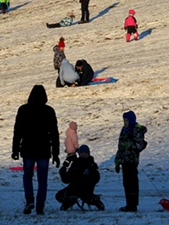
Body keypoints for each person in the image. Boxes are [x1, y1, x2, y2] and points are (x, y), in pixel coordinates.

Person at [12, 85, 60, 215]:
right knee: (42, 179)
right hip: (44, 149)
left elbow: (18, 131)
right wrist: (56, 153)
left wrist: (15, 149)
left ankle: (29, 201)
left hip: (28, 148)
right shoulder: (49, 111)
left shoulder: (23, 110)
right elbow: (54, 133)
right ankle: (40, 205)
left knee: (27, 176)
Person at [114, 110, 147, 212]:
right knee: (126, 184)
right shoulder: (124, 130)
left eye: (127, 120)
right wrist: (117, 160)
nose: (125, 122)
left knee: (132, 184)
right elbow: (120, 147)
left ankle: (133, 205)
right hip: (124, 161)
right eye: (124, 120)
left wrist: (130, 145)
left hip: (132, 161)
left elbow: (140, 145)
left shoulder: (136, 130)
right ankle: (129, 204)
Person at [56, 144, 104, 211]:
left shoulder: (92, 164)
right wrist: (63, 169)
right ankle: (67, 203)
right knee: (59, 195)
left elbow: (96, 178)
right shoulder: (75, 163)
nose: (84, 154)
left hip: (86, 189)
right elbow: (66, 179)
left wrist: (88, 179)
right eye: (82, 153)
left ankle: (95, 201)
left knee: (87, 197)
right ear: (79, 154)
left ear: (88, 154)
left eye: (86, 153)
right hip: (74, 188)